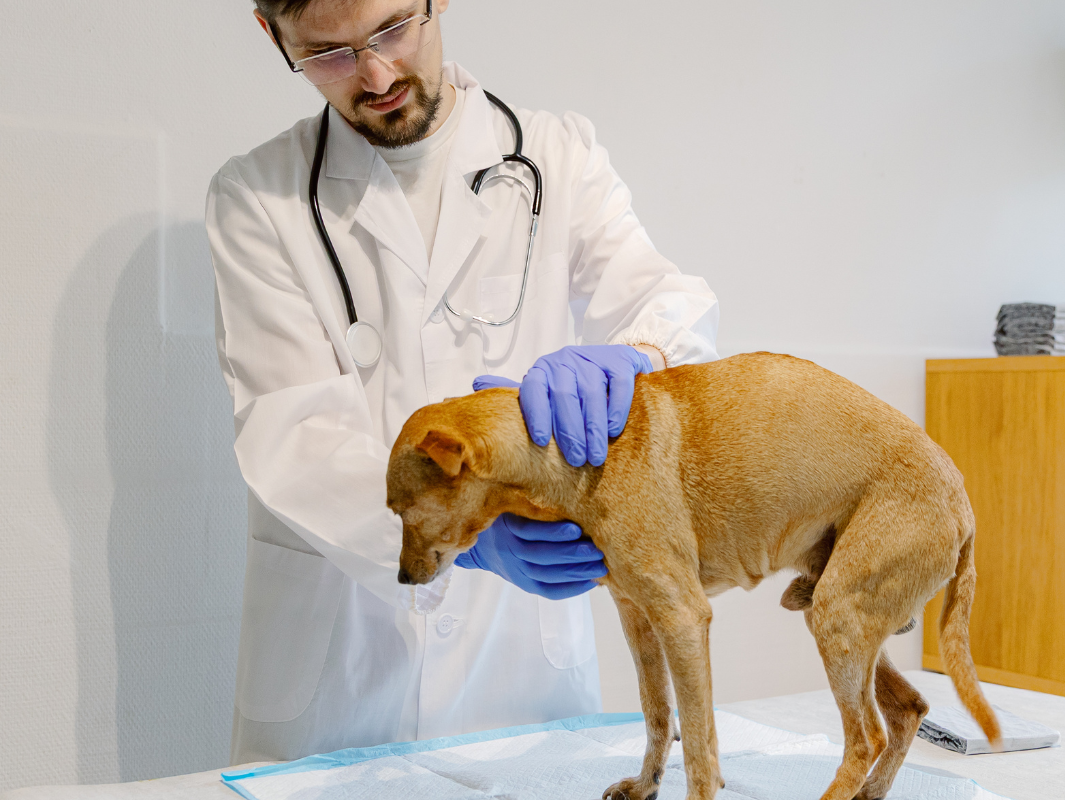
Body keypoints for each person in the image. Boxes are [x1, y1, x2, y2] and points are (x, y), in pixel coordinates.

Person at [206, 0, 719, 764]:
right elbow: (293, 435)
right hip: (340, 679)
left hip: (520, 672)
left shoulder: (558, 157)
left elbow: (666, 299)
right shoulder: (256, 199)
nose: (376, 75)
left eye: (392, 29)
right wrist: (462, 536)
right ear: (272, 35)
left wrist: (643, 356)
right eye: (329, 54)